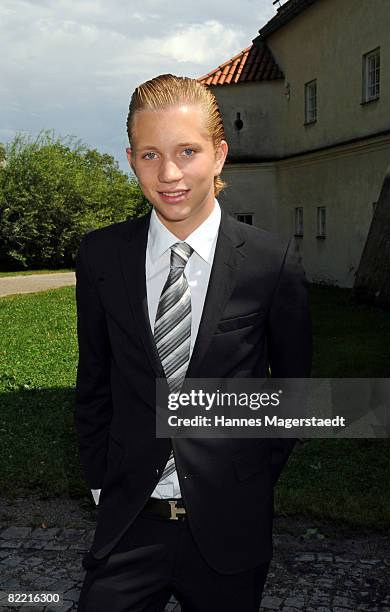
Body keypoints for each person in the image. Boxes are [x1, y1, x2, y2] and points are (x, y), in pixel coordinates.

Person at [75, 74, 312, 612]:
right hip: (129, 526)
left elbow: (294, 394)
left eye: (187, 151)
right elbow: (93, 385)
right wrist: (101, 482)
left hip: (230, 531)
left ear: (220, 154)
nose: (170, 173)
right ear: (131, 159)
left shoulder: (269, 262)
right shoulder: (101, 257)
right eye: (150, 154)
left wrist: (245, 481)